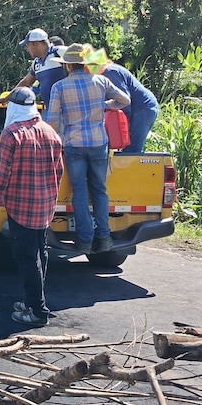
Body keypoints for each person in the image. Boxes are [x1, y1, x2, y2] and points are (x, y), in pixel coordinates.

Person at [0, 87, 63, 327]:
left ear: (14, 107)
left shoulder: (11, 134)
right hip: (44, 206)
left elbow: (1, 173)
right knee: (41, 253)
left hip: (21, 207)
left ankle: (38, 312)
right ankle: (32, 301)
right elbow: (58, 172)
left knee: (28, 258)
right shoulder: (51, 133)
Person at [45, 43, 131, 255]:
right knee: (100, 190)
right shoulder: (100, 81)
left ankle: (84, 240)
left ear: (67, 66)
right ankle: (104, 237)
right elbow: (125, 100)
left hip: (74, 144)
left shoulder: (60, 87)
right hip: (98, 142)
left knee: (80, 191)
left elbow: (53, 122)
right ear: (84, 64)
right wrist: (105, 105)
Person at [84, 51, 159, 154]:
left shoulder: (109, 72)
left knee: (132, 150)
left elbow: (124, 102)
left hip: (143, 108)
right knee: (129, 149)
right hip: (143, 107)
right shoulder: (109, 71)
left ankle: (133, 170)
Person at [13, 28, 65, 107]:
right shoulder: (36, 63)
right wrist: (9, 96)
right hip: (50, 109)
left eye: (28, 45)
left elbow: (85, 58)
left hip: (67, 109)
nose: (27, 49)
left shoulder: (59, 52)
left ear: (37, 44)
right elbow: (26, 82)